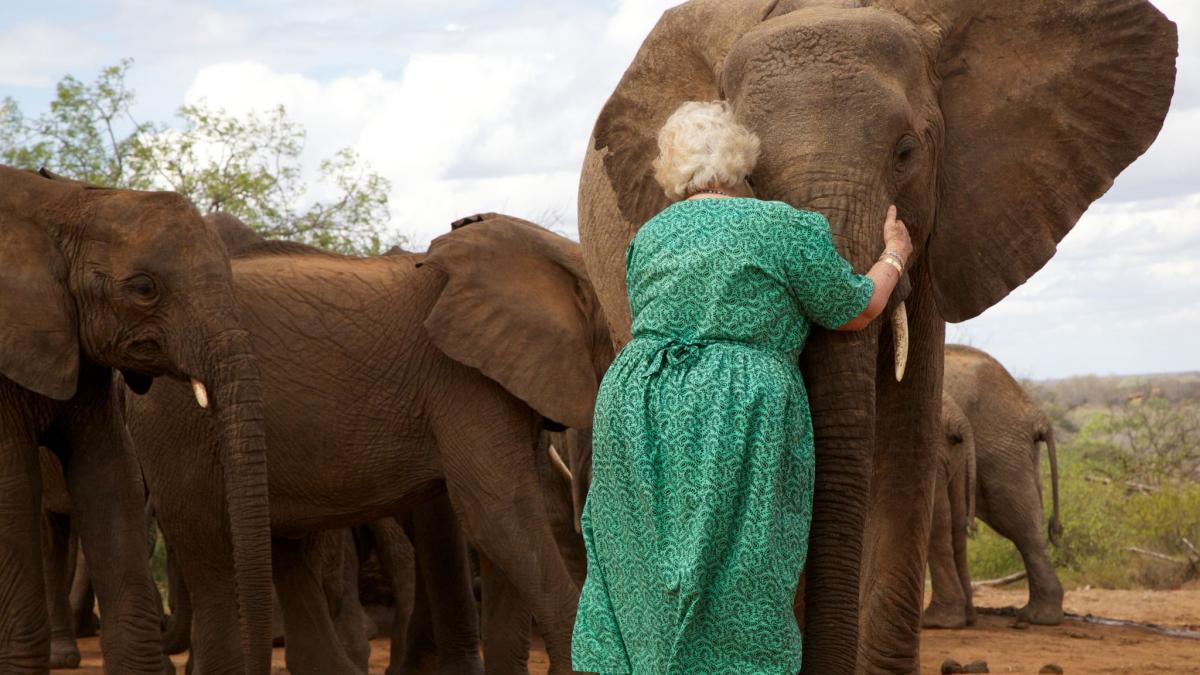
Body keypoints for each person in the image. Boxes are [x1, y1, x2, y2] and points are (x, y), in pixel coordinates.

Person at [571, 100, 912, 673]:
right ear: (742, 160)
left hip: (637, 403)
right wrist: (894, 256)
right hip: (736, 405)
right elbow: (855, 307)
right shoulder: (782, 227)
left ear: (673, 172)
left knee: (640, 564)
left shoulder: (649, 237)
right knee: (743, 568)